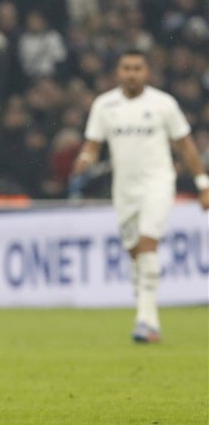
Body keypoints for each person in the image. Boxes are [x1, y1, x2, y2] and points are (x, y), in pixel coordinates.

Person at [72, 49, 209, 343]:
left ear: (147, 72)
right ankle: (145, 312)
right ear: (118, 72)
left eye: (137, 68)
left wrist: (203, 183)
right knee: (135, 253)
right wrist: (85, 159)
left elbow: (185, 145)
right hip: (124, 190)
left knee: (148, 245)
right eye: (126, 68)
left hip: (157, 183)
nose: (131, 74)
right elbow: (93, 145)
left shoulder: (163, 104)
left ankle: (147, 321)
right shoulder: (104, 105)